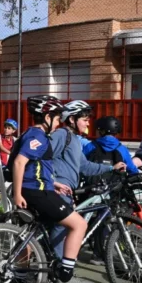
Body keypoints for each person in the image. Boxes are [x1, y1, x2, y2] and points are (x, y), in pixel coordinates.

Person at [11, 95, 92, 283]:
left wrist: (53, 184)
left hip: (40, 188)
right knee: (79, 224)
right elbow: (19, 163)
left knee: (30, 234)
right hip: (36, 192)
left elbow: (35, 167)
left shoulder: (34, 135)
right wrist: (17, 193)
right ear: (46, 117)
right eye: (56, 119)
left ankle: (20, 278)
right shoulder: (37, 136)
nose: (58, 123)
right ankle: (64, 276)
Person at [49, 100, 125, 269]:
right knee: (62, 230)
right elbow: (42, 157)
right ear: (71, 119)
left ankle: (56, 267)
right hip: (58, 191)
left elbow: (85, 167)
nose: (88, 122)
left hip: (68, 192)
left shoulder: (75, 140)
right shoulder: (61, 135)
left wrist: (111, 168)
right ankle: (59, 271)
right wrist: (52, 182)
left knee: (63, 230)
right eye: (84, 119)